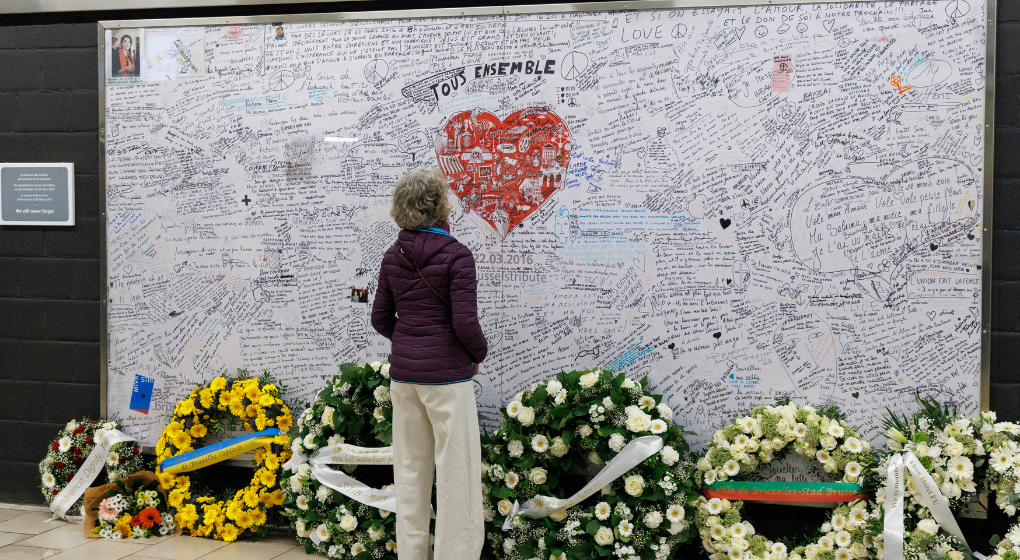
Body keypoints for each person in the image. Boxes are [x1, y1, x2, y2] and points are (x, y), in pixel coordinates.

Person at [371, 168, 487, 560]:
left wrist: (409, 344)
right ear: (439, 206)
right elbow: (465, 323)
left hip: (404, 378)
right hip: (448, 380)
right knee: (458, 473)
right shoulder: (457, 255)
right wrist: (476, 354)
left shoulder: (392, 255)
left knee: (408, 471)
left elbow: (381, 319)